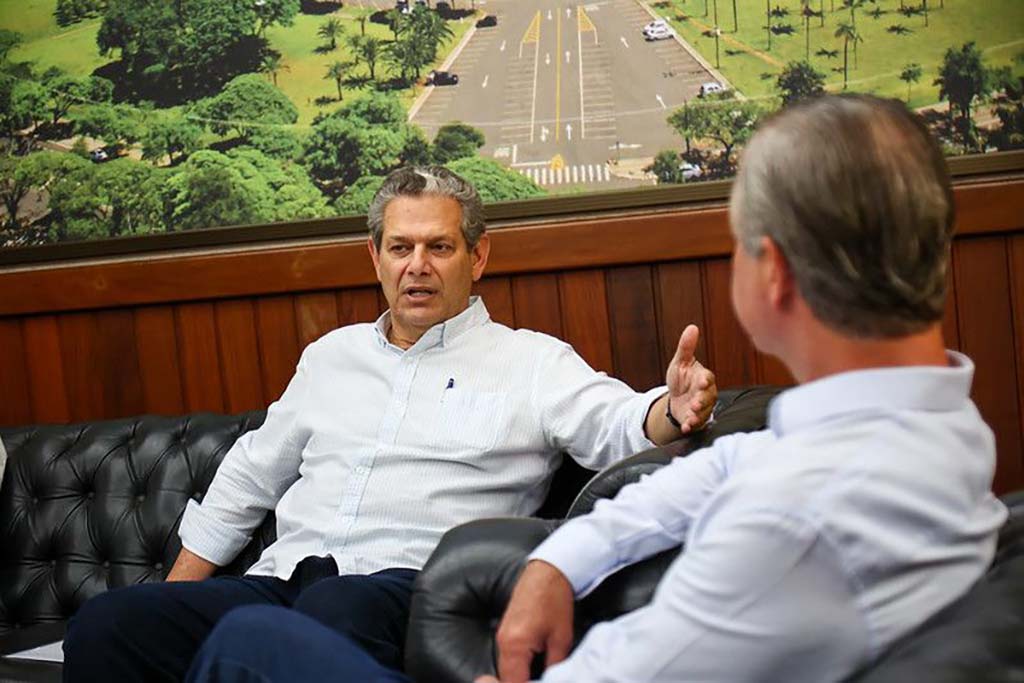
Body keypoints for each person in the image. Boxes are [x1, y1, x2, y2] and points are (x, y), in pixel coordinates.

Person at [179, 94, 1007, 683]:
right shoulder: (942, 426)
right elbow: (707, 477)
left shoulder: (786, 522)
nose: (417, 266)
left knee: (254, 642)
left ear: (774, 277)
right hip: (315, 576)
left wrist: (656, 415)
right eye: (399, 248)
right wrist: (556, 562)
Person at [62, 165, 717, 682]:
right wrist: (176, 597)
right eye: (400, 247)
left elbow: (614, 420)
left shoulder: (531, 361)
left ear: (477, 257)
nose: (417, 266)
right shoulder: (330, 357)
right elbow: (251, 475)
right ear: (374, 256)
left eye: (439, 247)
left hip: (403, 589)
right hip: (278, 580)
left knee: (331, 610)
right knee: (107, 623)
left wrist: (671, 409)